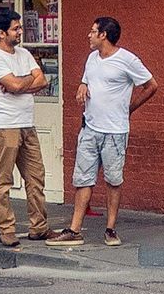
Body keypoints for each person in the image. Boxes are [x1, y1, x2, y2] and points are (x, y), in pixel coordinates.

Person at [48, 17, 156, 246]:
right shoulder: (92, 58)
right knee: (83, 179)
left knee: (113, 180)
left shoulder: (127, 60)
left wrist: (131, 108)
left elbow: (151, 85)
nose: (89, 35)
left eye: (93, 31)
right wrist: (82, 85)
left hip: (115, 132)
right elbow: (87, 79)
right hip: (90, 128)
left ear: (104, 35)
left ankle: (110, 229)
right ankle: (74, 229)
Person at [0, 5, 52, 247]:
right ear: (2, 33)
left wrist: (21, 84)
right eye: (16, 28)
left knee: (36, 176)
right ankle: (7, 230)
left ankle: (39, 227)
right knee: (3, 180)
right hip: (5, 125)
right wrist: (24, 82)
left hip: (27, 123)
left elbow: (42, 80)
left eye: (20, 27)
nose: (20, 32)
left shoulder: (23, 54)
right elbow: (14, 86)